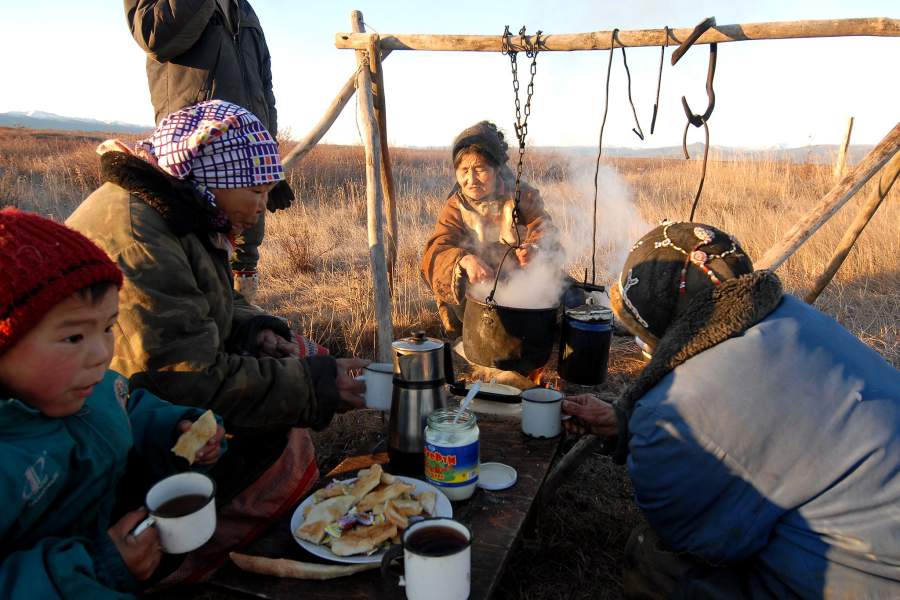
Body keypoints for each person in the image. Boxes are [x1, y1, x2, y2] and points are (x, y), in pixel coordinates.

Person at [66, 101, 366, 579]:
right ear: (210, 173)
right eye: (255, 190)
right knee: (269, 425)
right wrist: (315, 386)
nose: (262, 206)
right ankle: (215, 566)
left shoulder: (177, 209)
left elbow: (206, 302)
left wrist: (254, 328)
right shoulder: (142, 236)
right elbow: (181, 381)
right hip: (120, 432)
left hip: (134, 410)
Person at [562, 221, 900, 598]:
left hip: (871, 580)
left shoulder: (677, 405)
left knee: (658, 560)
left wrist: (646, 429)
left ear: (661, 325)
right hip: (879, 526)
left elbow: (705, 542)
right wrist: (623, 422)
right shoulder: (793, 317)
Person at [0, 209, 225, 598]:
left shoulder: (94, 387)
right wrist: (97, 567)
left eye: (107, 327)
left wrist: (174, 428)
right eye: (73, 337)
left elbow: (126, 411)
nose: (102, 354)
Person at [124, 0, 294, 303]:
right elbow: (154, 37)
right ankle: (204, 323)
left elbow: (264, 84)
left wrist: (267, 156)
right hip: (196, 153)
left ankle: (241, 316)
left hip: (246, 153)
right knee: (197, 245)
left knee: (245, 247)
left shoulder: (244, 8)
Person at [420, 121, 559, 336]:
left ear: (497, 170)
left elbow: (545, 230)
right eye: (464, 170)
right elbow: (437, 249)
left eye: (479, 169)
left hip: (521, 285)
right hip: (477, 292)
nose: (470, 179)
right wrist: (463, 260)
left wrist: (534, 250)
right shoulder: (456, 206)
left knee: (569, 297)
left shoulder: (522, 196)